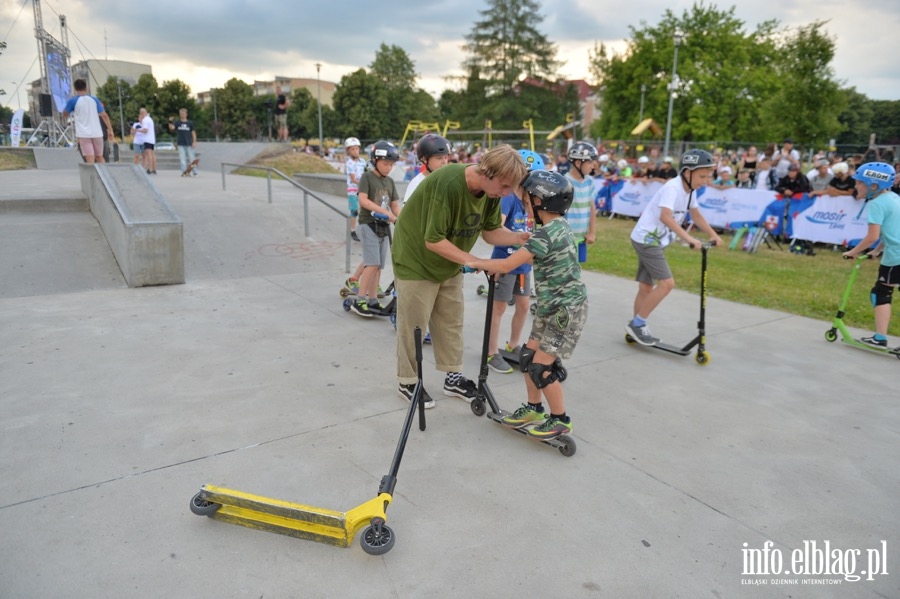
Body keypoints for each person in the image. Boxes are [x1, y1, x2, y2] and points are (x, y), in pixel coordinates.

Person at [392, 144, 529, 408]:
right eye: (504, 185)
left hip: (449, 261)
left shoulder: (492, 194)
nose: (507, 192)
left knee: (451, 321)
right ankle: (407, 381)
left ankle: (452, 377)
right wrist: (474, 260)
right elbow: (432, 240)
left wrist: (519, 238)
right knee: (414, 324)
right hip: (415, 259)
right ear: (488, 172)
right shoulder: (448, 182)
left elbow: (490, 232)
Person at [465, 170, 586, 440]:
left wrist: (475, 263)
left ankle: (560, 420)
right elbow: (533, 259)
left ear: (540, 201)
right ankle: (534, 409)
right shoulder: (556, 228)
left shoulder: (546, 235)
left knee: (541, 368)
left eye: (528, 198)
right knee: (528, 358)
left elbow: (509, 264)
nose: (525, 202)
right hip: (551, 308)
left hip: (564, 312)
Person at [625, 149, 723, 345]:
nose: (704, 181)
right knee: (667, 284)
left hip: (653, 240)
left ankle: (636, 327)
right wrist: (689, 238)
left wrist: (713, 234)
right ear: (687, 172)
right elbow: (665, 216)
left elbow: (695, 215)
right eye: (702, 176)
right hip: (647, 240)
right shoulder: (673, 188)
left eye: (707, 176)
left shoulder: (689, 191)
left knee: (646, 286)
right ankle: (638, 323)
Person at [485, 149, 543, 374]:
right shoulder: (508, 199)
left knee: (524, 305)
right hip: (504, 261)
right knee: (498, 308)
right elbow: (496, 227)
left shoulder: (532, 203)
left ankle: (512, 344)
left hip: (523, 265)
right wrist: (517, 238)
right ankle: (491, 352)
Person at [841, 162, 900, 348]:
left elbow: (872, 236)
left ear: (874, 185)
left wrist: (852, 252)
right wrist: (876, 251)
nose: (855, 186)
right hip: (895, 252)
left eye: (860, 183)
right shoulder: (894, 198)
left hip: (896, 256)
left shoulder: (876, 204)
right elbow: (891, 230)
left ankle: (880, 337)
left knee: (881, 292)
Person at [349, 140, 401, 318]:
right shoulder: (367, 178)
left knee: (378, 266)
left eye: (391, 165)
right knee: (372, 264)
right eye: (386, 163)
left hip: (383, 228)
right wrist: (386, 213)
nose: (388, 167)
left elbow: (395, 206)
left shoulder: (390, 182)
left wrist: (400, 219)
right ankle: (360, 300)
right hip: (367, 224)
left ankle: (372, 301)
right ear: (375, 160)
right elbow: (363, 201)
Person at [62, 78, 114, 165]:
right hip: (97, 133)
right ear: (86, 88)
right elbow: (104, 115)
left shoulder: (73, 101)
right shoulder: (94, 99)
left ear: (75, 89)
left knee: (90, 159)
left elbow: (65, 114)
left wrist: (68, 110)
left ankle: (92, 177)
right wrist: (110, 130)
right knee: (100, 157)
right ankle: (104, 176)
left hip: (84, 134)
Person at [564, 141, 599, 264]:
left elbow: (592, 208)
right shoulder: (565, 183)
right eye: (590, 162)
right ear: (578, 163)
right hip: (566, 239)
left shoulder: (589, 182)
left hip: (581, 239)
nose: (593, 166)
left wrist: (592, 232)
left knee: (576, 273)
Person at [344, 137, 366, 244]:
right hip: (353, 189)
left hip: (362, 189)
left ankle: (361, 229)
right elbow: (353, 179)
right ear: (348, 150)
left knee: (363, 210)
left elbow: (366, 173)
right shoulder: (349, 163)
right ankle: (352, 230)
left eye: (357, 149)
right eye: (352, 149)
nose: (355, 151)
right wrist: (364, 183)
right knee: (354, 210)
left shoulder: (362, 161)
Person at [168, 108, 197, 175]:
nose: (182, 115)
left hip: (189, 143)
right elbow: (171, 128)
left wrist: (194, 141)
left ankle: (194, 170)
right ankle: (184, 171)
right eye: (181, 114)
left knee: (192, 158)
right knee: (182, 159)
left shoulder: (190, 123)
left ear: (186, 114)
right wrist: (170, 122)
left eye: (183, 113)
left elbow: (193, 132)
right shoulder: (177, 123)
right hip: (181, 143)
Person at [137, 107, 157, 174]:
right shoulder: (150, 119)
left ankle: (150, 169)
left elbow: (145, 130)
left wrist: (138, 130)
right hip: (152, 139)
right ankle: (154, 168)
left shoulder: (145, 120)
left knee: (149, 155)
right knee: (152, 154)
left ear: (142, 113)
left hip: (147, 139)